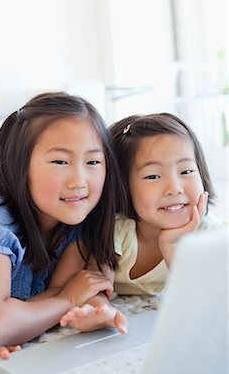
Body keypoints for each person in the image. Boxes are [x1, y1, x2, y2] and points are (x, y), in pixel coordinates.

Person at [0, 92, 128, 374]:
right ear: (19, 165)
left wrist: (96, 307)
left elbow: (87, 283)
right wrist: (67, 299)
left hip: (28, 220)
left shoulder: (86, 213)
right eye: (60, 162)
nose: (79, 181)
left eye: (93, 162)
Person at [59, 112, 226, 331]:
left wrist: (173, 244)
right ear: (122, 186)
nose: (174, 188)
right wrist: (99, 310)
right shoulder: (119, 229)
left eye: (186, 171)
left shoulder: (206, 230)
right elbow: (96, 283)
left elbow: (202, 300)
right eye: (152, 176)